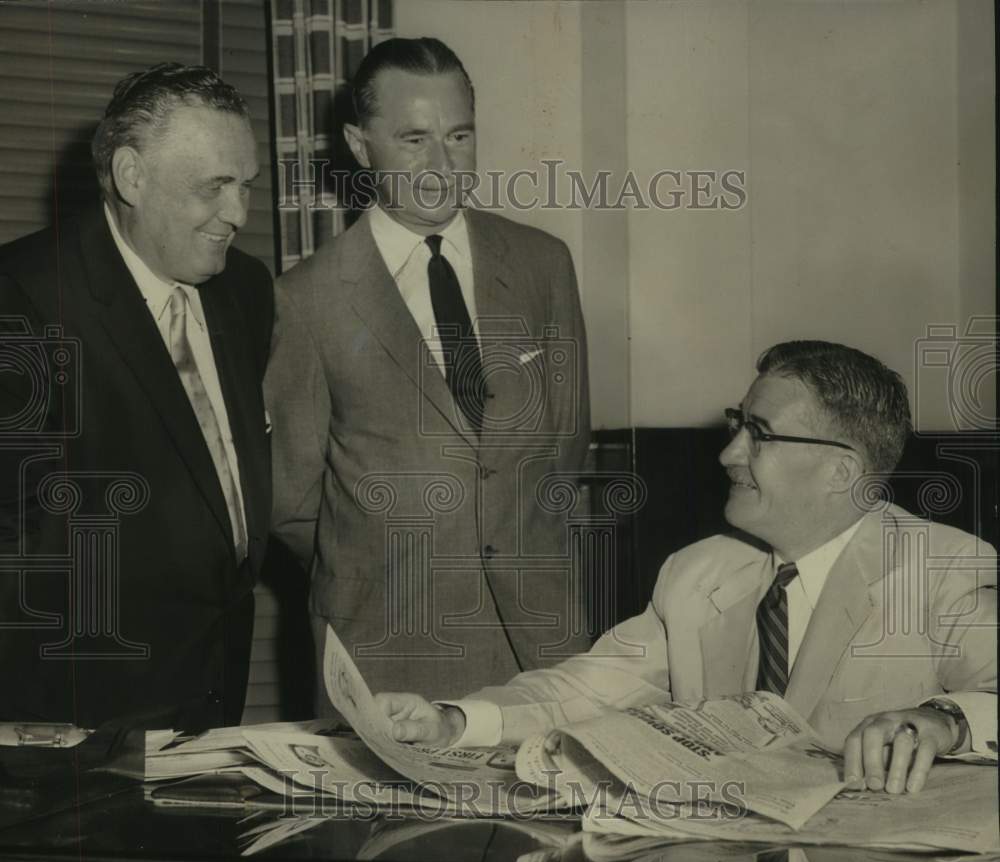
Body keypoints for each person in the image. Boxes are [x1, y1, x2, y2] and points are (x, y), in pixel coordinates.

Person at [377, 341, 997, 794]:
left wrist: (941, 721)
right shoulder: (698, 573)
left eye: (760, 433)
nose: (729, 452)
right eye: (737, 425)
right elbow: (586, 691)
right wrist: (455, 720)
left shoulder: (944, 568)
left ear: (842, 471)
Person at [266, 38, 592, 707]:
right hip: (389, 650)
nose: (442, 164)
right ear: (360, 145)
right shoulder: (306, 299)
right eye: (414, 138)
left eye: (459, 135)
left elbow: (563, 450)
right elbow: (295, 507)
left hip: (541, 648)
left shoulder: (542, 265)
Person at [0, 63, 273, 730]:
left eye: (246, 186)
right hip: (73, 722)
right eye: (214, 188)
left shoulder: (246, 291)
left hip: (213, 704)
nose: (237, 214)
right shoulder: (22, 297)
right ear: (131, 176)